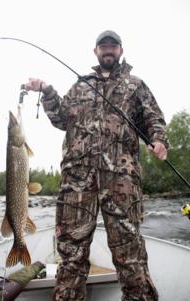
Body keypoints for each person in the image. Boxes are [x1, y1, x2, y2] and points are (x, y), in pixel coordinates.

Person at [25, 30, 167, 301]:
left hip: (122, 181)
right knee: (71, 253)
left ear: (121, 51)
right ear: (96, 52)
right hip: (77, 181)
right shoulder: (81, 85)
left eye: (113, 46)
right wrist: (47, 91)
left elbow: (154, 119)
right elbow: (62, 118)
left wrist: (159, 140)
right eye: (104, 46)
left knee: (130, 253)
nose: (108, 50)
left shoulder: (135, 85)